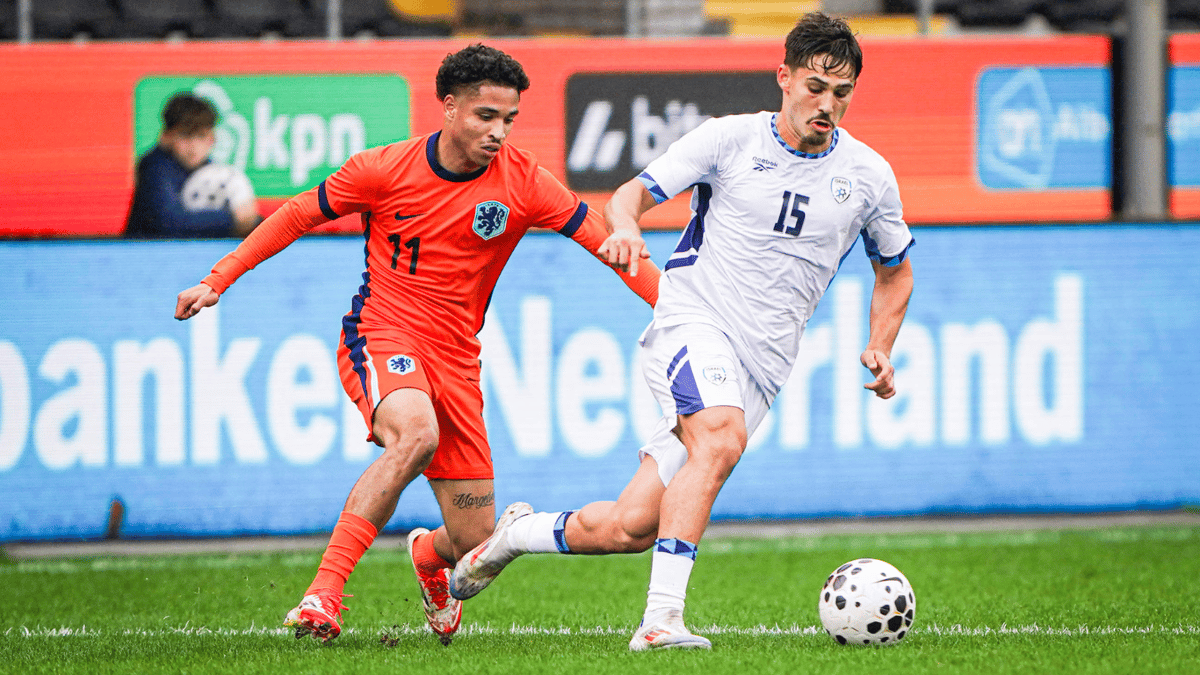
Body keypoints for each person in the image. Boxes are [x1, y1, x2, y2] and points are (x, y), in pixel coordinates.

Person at [449, 12, 915, 651]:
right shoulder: (728, 141)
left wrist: (881, 345)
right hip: (693, 322)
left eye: (841, 94)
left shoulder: (868, 176)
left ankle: (512, 537)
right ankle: (662, 620)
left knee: (628, 527)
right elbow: (628, 196)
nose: (826, 105)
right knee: (719, 441)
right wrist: (627, 226)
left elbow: (894, 271)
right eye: (814, 87)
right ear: (783, 77)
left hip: (765, 364)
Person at [172, 44, 660, 645]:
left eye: (509, 119)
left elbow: (607, 244)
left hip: (458, 357)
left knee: (476, 543)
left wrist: (682, 313)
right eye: (486, 116)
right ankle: (323, 595)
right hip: (384, 331)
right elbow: (297, 214)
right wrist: (217, 279)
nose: (499, 132)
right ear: (449, 107)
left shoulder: (526, 182)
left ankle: (427, 556)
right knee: (417, 434)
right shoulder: (383, 169)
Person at [126, 92, 260, 238]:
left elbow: (244, 220)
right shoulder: (154, 168)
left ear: (212, 139)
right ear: (166, 136)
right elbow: (169, 222)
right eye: (185, 135)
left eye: (201, 136)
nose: (193, 147)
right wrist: (233, 220)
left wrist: (252, 220)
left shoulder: (211, 171)